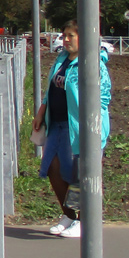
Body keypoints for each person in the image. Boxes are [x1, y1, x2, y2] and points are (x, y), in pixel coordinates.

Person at [32, 19, 111, 238]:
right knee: (52, 168)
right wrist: (41, 112)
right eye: (64, 35)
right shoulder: (62, 60)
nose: (65, 40)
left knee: (77, 174)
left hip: (76, 128)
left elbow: (103, 97)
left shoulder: (92, 63)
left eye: (70, 36)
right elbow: (51, 90)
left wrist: (91, 124)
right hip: (55, 124)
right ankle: (69, 216)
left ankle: (86, 221)